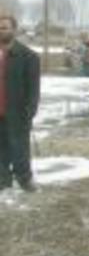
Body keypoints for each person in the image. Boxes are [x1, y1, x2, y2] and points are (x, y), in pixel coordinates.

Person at [0, 13, 40, 192]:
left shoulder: (28, 57)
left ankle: (24, 179)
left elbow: (33, 89)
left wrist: (30, 111)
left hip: (17, 111)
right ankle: (2, 180)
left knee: (20, 147)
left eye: (4, 27)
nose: (1, 31)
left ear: (13, 30)